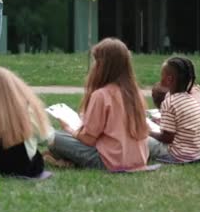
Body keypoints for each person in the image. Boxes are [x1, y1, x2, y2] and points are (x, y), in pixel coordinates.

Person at [47, 38, 150, 172]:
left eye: (96, 62)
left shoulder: (101, 95)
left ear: (103, 65)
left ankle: (63, 159)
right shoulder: (135, 93)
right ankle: (64, 160)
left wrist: (70, 129)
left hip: (110, 161)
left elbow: (89, 140)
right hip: (139, 160)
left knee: (55, 137)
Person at [147, 56, 200, 162]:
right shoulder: (191, 99)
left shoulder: (169, 102)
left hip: (176, 155)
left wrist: (147, 133)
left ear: (169, 79)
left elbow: (167, 138)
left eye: (162, 75)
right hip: (195, 153)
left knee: (141, 139)